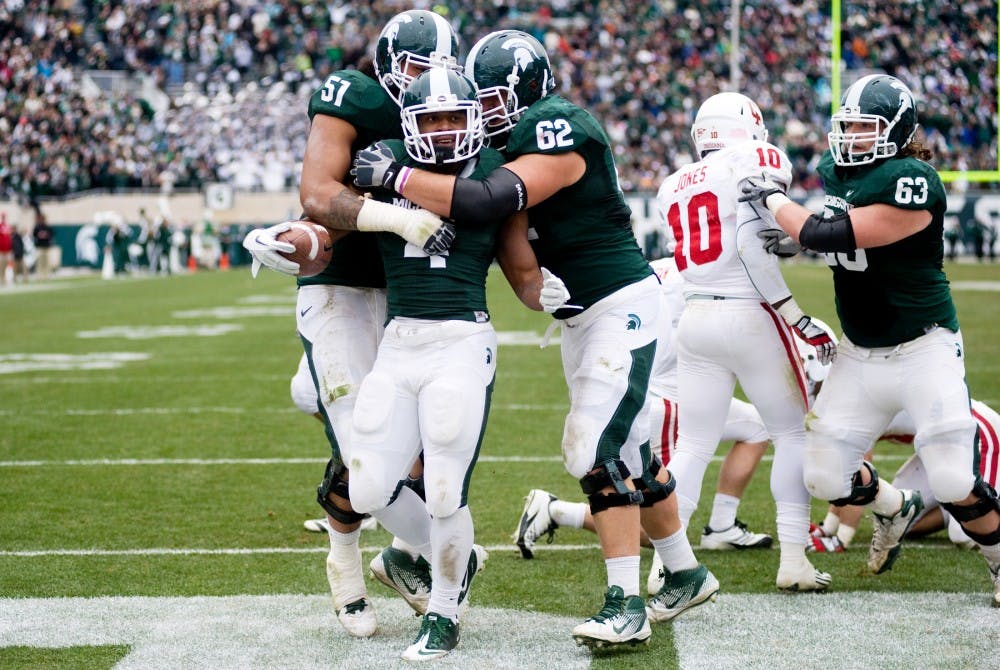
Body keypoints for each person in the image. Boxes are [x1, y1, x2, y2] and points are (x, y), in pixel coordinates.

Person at [353, 30, 718, 648]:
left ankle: (624, 604)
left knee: (590, 449)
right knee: (628, 452)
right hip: (579, 318)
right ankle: (685, 569)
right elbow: (514, 251)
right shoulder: (500, 147)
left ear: (524, 91)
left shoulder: (558, 125)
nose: (487, 115)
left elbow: (488, 198)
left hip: (619, 305)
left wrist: (398, 176)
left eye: (493, 100)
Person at [241, 9, 469, 639]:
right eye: (418, 69)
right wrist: (375, 221)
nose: (428, 82)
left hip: (410, 295)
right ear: (390, 66)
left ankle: (407, 558)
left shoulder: (456, 112)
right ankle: (356, 556)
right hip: (341, 284)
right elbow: (319, 194)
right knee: (365, 454)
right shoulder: (358, 96)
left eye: (440, 72)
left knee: (421, 441)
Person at [740, 73, 1000, 607]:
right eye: (849, 125)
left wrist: (775, 204)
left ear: (897, 130)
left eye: (865, 126)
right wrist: (792, 237)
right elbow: (832, 230)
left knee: (952, 478)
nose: (853, 135)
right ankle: (894, 506)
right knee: (822, 476)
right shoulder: (839, 170)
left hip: (923, 347)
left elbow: (828, 233)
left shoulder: (913, 177)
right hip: (860, 354)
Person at [348, 65, 565, 661]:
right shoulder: (381, 158)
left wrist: (544, 292)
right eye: (431, 119)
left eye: (453, 118)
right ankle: (457, 555)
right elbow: (333, 211)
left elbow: (520, 265)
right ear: (410, 123)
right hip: (399, 341)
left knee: (445, 489)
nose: (444, 131)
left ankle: (445, 611)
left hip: (461, 343)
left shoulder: (494, 172)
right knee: (366, 486)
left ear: (473, 120)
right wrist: (296, 239)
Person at [652, 91, 834, 593]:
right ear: (747, 125)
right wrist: (795, 314)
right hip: (749, 312)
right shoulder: (757, 158)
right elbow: (753, 244)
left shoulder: (673, 184)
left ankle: (666, 563)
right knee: (792, 434)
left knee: (691, 445)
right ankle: (794, 559)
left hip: (695, 316)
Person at [811, 398, 1000, 553]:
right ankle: (951, 505)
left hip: (975, 436)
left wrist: (841, 539)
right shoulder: (839, 400)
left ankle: (973, 503)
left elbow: (854, 476)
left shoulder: (852, 405)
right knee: (900, 519)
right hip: (937, 448)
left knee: (964, 537)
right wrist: (827, 527)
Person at [32, 208, 54, 279]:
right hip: (39, 246)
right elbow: (34, 234)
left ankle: (46, 274)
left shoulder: (48, 227)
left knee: (46, 261)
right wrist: (39, 235)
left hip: (46, 246)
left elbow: (52, 234)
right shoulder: (37, 227)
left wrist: (46, 235)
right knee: (40, 261)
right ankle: (39, 274)